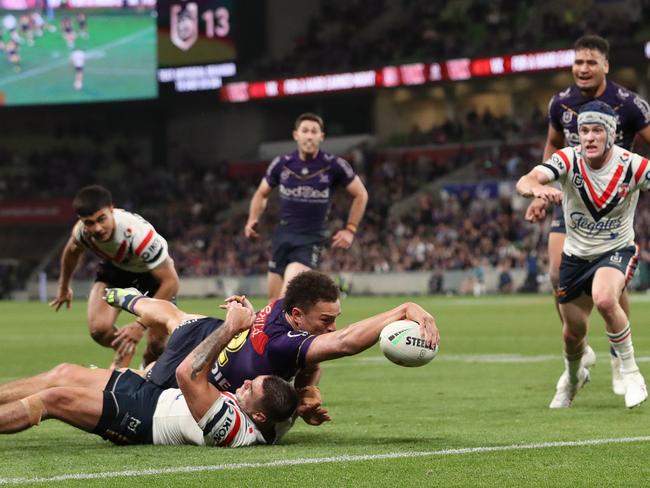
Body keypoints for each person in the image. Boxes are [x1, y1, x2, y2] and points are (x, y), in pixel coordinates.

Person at [525, 35, 650, 396]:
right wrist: (539, 192)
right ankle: (580, 349)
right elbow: (552, 146)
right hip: (573, 195)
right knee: (554, 272)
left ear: (605, 66)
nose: (583, 69)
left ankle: (618, 358)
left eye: (590, 62)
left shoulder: (629, 105)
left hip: (614, 199)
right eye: (578, 62)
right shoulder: (561, 103)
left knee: (610, 286)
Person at [0, 301, 298, 447]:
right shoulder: (278, 414)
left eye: (250, 389)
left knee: (54, 399)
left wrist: (231, 327)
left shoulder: (233, 429)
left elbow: (187, 373)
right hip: (156, 394)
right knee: (62, 371)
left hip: (144, 419)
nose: (244, 383)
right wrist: (309, 398)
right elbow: (293, 392)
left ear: (258, 418)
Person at [49, 185, 180, 369]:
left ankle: (145, 377)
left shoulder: (139, 235)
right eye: (89, 222)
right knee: (99, 330)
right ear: (81, 221)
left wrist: (140, 325)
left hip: (152, 277)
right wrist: (63, 287)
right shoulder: (82, 232)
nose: (97, 228)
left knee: (157, 346)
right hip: (117, 270)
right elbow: (72, 252)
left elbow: (171, 281)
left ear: (112, 210)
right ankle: (125, 351)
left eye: (101, 219)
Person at [244, 113, 369, 300]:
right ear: (296, 135)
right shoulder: (282, 164)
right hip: (282, 236)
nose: (309, 136)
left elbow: (361, 194)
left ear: (321, 136)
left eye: (314, 131)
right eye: (305, 131)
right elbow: (261, 193)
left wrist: (350, 229)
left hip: (310, 239)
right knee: (273, 302)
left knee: (287, 295)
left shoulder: (334, 165)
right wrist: (252, 219)